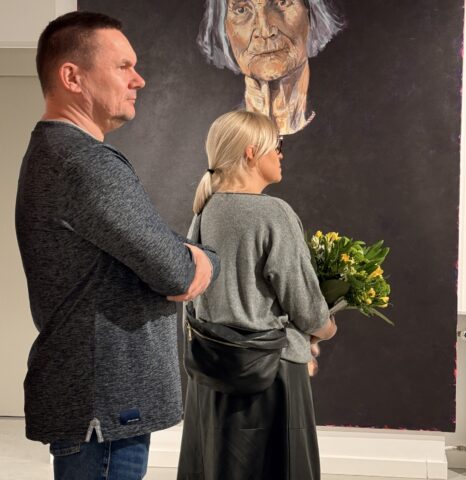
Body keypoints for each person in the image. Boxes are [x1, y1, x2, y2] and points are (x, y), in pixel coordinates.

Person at [15, 11, 219, 480]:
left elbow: (152, 244)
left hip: (98, 405)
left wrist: (179, 253)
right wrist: (202, 259)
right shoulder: (85, 163)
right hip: (104, 412)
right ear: (72, 77)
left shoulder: (61, 155)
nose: (138, 79)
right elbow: (176, 271)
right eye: (123, 66)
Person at [177, 110, 337, 479]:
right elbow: (305, 305)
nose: (281, 154)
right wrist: (326, 328)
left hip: (212, 370)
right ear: (251, 152)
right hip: (271, 375)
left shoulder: (205, 211)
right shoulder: (273, 213)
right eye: (276, 146)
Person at [197, 0, 342, 135]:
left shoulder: (344, 126)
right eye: (242, 10)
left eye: (282, 2)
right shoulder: (221, 134)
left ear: (310, 11)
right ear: (223, 27)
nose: (265, 31)